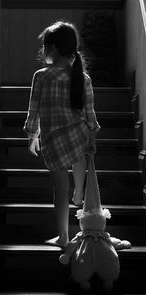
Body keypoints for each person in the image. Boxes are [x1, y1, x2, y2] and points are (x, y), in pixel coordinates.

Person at [24, 21, 100, 247]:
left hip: (53, 141)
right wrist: (93, 137)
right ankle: (79, 192)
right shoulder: (83, 78)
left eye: (45, 46)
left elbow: (33, 111)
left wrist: (32, 135)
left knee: (59, 186)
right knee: (80, 146)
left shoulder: (41, 76)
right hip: (79, 135)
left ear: (53, 49)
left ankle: (63, 236)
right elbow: (89, 113)